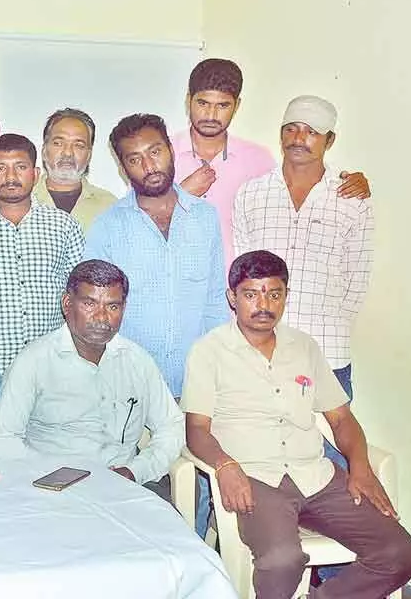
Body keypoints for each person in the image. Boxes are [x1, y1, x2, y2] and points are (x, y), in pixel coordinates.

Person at [181, 250, 411, 599]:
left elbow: (341, 418)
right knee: (282, 560)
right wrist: (225, 465)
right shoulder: (209, 351)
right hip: (255, 478)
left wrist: (360, 467)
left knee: (400, 553)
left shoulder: (304, 347)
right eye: (251, 294)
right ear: (233, 297)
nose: (264, 304)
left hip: (316, 476)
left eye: (274, 294)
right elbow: (197, 429)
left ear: (285, 297)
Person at [0, 260, 184, 496]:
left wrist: (136, 470)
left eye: (112, 307)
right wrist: (59, 473)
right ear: (67, 304)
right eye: (90, 304)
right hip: (50, 489)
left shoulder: (137, 361)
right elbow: (1, 442)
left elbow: (172, 425)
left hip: (124, 486)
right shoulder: (34, 361)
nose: (101, 318)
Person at [233, 96, 373, 402]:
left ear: (330, 140)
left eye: (311, 131)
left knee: (331, 447)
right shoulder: (251, 194)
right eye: (291, 129)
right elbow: (241, 275)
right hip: (260, 353)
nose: (298, 139)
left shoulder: (352, 200)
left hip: (327, 353)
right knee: (259, 446)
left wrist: (329, 324)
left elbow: (356, 283)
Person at [84, 113, 230, 397]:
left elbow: (214, 299)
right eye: (135, 159)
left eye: (155, 152)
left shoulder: (204, 218)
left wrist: (217, 370)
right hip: (129, 388)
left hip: (196, 386)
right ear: (123, 168)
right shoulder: (108, 226)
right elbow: (92, 311)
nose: (149, 166)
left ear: (171, 151)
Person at [172, 58, 369, 265]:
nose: (211, 115)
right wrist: (180, 195)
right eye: (203, 103)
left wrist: (346, 181)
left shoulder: (258, 160)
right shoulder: (157, 156)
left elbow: (297, 186)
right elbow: (138, 222)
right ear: (188, 100)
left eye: (223, 105)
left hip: (237, 292)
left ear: (237, 106)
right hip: (174, 288)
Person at [0, 133, 85, 406]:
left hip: (51, 370)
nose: (11, 176)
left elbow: (80, 298)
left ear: (35, 174)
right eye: (1, 168)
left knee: (48, 446)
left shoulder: (63, 226)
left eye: (20, 167)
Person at [31, 108, 117, 232]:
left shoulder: (109, 206)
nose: (68, 153)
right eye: (58, 143)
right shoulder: (21, 199)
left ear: (89, 155)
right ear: (44, 151)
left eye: (79, 145)